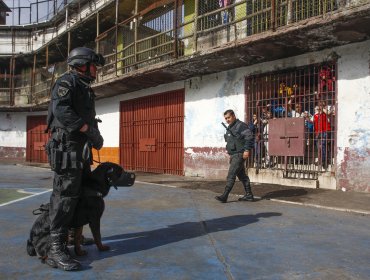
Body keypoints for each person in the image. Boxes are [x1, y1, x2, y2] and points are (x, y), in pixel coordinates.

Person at [44, 47, 105, 271]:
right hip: (66, 149)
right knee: (65, 196)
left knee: (80, 193)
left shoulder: (84, 87)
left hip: (80, 150)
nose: (96, 70)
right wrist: (88, 129)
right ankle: (55, 248)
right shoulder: (66, 83)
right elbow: (62, 111)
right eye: (94, 66)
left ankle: (71, 236)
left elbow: (86, 118)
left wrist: (93, 134)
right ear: (82, 64)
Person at [215, 109, 255, 203]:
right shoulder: (230, 127)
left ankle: (224, 196)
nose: (227, 120)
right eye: (225, 118)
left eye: (228, 117)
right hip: (234, 155)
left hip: (239, 154)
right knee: (242, 176)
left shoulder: (240, 125)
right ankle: (249, 195)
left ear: (233, 116)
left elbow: (249, 137)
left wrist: (246, 150)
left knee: (231, 175)